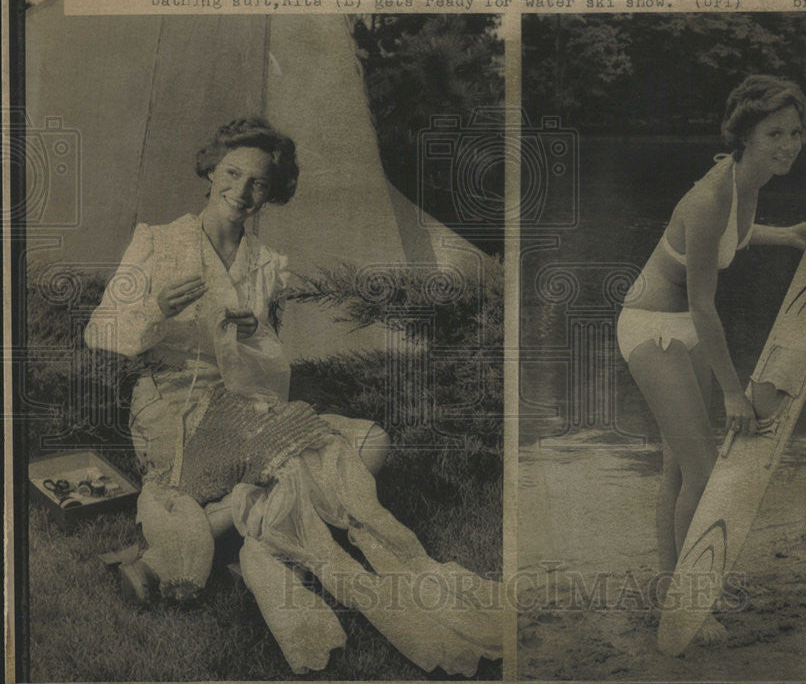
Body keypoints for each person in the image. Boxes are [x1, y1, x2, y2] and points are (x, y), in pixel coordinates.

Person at [85, 117, 500, 676]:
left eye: (259, 182)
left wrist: (252, 337)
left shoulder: (266, 266)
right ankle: (191, 550)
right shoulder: (157, 241)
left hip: (246, 407)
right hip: (172, 411)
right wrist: (156, 308)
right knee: (302, 468)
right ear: (211, 170)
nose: (242, 190)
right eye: (232, 173)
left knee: (370, 441)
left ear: (273, 193)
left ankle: (201, 539)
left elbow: (270, 373)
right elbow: (101, 333)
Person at [617, 76, 806, 645]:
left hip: (686, 327)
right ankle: (689, 600)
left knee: (681, 467)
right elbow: (703, 303)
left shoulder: (747, 182)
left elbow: (733, 240)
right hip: (654, 329)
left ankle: (668, 590)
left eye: (796, 132)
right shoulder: (708, 196)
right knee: (706, 474)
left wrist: (787, 236)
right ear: (745, 135)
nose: (789, 144)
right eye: (775, 132)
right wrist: (733, 391)